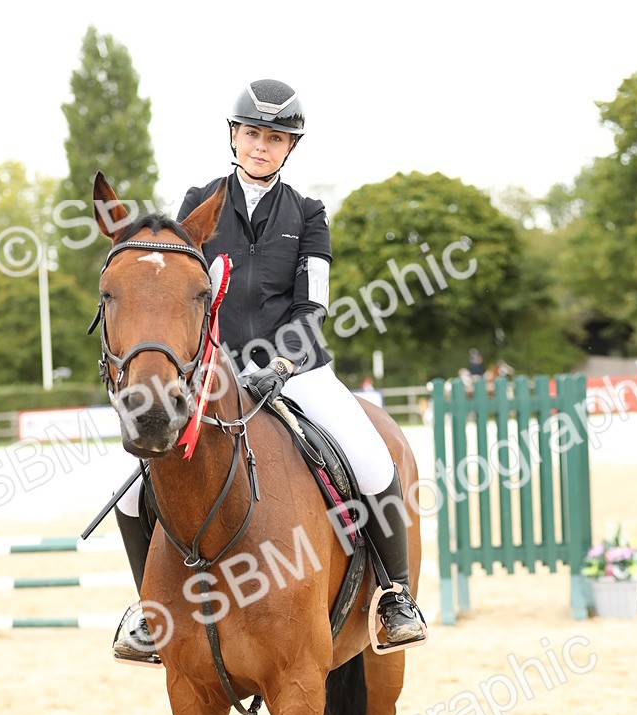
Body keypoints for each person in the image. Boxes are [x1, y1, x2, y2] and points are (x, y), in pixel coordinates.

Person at [112, 78, 426, 664]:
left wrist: (282, 362)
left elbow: (313, 305)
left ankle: (394, 595)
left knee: (372, 456)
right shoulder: (199, 203)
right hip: (215, 371)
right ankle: (149, 612)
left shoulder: (308, 214)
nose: (262, 145)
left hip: (296, 367)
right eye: (253, 133)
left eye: (276, 138)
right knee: (130, 485)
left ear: (290, 148)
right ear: (235, 136)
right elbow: (183, 289)